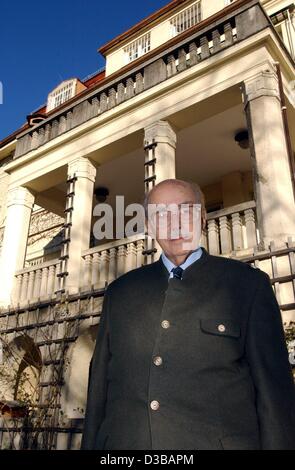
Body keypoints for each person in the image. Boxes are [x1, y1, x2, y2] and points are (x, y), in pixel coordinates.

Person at [81, 179, 295, 450]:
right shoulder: (120, 293)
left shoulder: (248, 285)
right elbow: (98, 390)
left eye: (185, 210)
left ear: (203, 217)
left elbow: (274, 397)